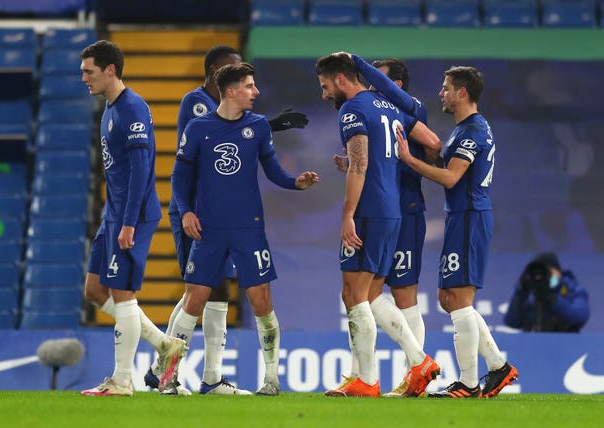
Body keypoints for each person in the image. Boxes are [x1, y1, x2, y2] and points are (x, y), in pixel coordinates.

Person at [144, 45, 309, 395]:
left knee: (261, 301)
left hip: (249, 228)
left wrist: (296, 182)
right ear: (230, 88)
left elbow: (274, 170)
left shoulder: (258, 127)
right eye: (250, 85)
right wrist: (187, 210)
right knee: (195, 297)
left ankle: (270, 380)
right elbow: (179, 175)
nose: (256, 92)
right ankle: (166, 376)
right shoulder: (198, 123)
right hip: (209, 227)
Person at [316, 53, 440, 398]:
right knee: (370, 295)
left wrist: (347, 214)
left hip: (368, 210)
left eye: (326, 86)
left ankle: (370, 379)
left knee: (353, 294)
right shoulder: (388, 106)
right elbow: (431, 141)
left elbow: (359, 163)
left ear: (341, 79)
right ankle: (417, 362)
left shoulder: (352, 110)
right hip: (393, 210)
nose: (325, 95)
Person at [395, 65, 518, 398]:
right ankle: (498, 366)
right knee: (448, 299)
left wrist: (409, 159)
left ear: (462, 92)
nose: (441, 93)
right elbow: (451, 174)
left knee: (458, 301)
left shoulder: (471, 132)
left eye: (446, 87)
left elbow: (451, 179)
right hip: (461, 217)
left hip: (469, 218)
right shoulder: (467, 129)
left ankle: (468, 382)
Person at [78, 40, 187, 397]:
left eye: (89, 71)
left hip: (132, 215)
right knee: (95, 289)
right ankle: (163, 344)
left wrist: (127, 222)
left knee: (123, 294)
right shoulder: (110, 109)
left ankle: (122, 380)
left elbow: (142, 170)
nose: (84, 78)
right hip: (115, 212)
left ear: (110, 70)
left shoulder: (132, 108)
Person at [504, 252, 589, 332]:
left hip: (564, 342)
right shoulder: (530, 292)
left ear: (558, 272)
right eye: (537, 273)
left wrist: (551, 298)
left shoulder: (572, 288)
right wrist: (521, 291)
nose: (542, 276)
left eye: (548, 272)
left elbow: (580, 316)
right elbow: (512, 322)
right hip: (532, 342)